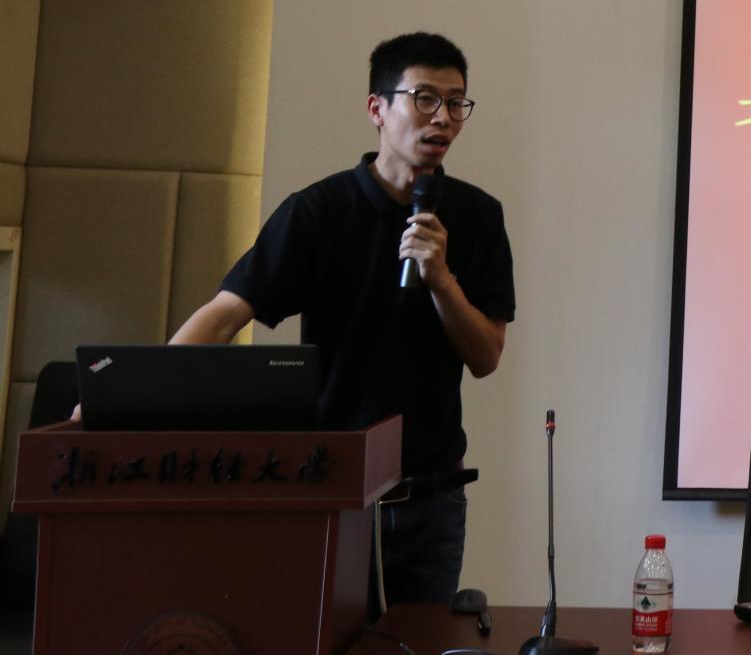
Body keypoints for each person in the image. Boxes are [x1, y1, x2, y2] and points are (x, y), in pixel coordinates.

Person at [169, 31, 515, 606]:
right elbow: (227, 312)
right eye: (425, 99)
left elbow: (486, 356)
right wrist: (136, 396)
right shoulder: (318, 212)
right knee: (318, 638)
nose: (443, 118)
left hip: (432, 499)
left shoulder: (478, 216)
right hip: (332, 488)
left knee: (422, 640)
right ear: (377, 108)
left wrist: (441, 280)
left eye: (456, 103)